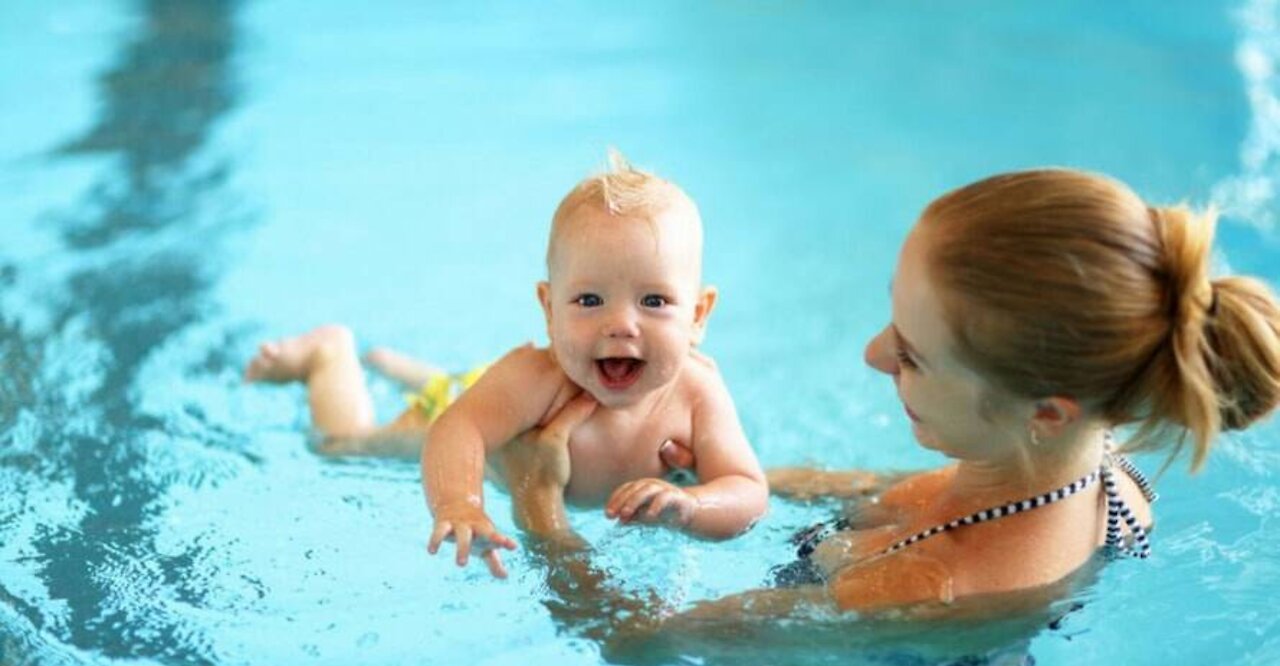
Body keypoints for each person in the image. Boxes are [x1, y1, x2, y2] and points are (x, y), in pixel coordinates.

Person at [507, 168, 1280, 614]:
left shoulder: (920, 585)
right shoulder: (1095, 457)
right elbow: (895, 493)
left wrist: (540, 508)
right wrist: (706, 481)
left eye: (912, 353)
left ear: (1047, 410)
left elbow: (639, 640)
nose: (873, 353)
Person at [244, 151, 769, 578]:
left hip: (496, 396)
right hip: (472, 402)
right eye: (589, 301)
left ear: (699, 315)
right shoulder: (539, 378)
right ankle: (328, 356)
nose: (621, 325)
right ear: (548, 309)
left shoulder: (698, 391)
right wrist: (459, 501)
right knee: (347, 446)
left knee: (481, 390)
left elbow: (745, 487)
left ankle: (410, 369)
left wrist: (693, 506)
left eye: (653, 302)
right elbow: (459, 426)